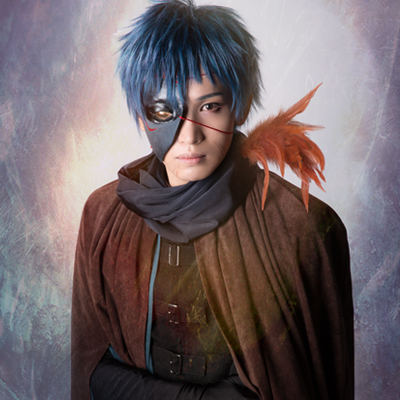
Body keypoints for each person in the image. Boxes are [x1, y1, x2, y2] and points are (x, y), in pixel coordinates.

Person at [71, 1, 354, 399]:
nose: (190, 136)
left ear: (238, 107)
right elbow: (90, 369)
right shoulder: (103, 215)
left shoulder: (302, 228)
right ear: (141, 114)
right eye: (164, 110)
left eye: (209, 107)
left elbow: (316, 380)